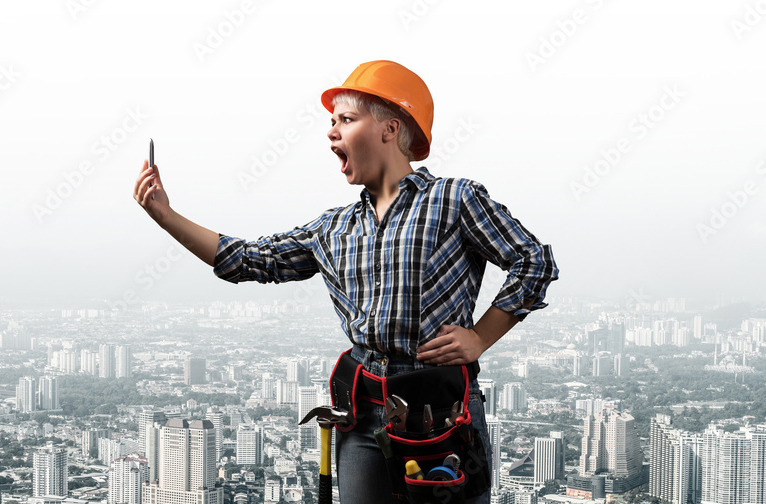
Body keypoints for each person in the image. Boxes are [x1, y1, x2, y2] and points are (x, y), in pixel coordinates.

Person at [133, 60, 559, 504]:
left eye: (346, 119)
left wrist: (480, 337)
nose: (331, 131)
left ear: (390, 129)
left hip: (442, 410)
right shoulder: (333, 228)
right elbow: (248, 260)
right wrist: (166, 216)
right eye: (331, 122)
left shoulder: (454, 199)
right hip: (362, 410)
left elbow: (533, 261)